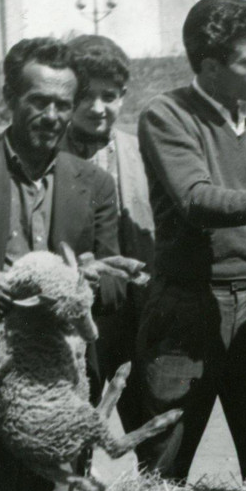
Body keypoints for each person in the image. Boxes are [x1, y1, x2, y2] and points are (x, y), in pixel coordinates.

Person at [0, 36, 132, 491]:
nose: (53, 114)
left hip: (57, 388)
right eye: (40, 101)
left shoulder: (93, 184)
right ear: (11, 97)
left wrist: (86, 280)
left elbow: (118, 284)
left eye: (63, 103)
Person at [136, 0, 246, 481]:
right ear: (209, 67)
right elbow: (196, 200)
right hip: (187, 312)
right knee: (165, 465)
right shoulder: (166, 116)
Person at [63, 34, 154, 431]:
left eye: (110, 95)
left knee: (148, 428)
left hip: (138, 317)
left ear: (124, 95)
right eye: (86, 95)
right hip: (78, 320)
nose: (98, 108)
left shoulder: (142, 152)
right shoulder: (51, 157)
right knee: (73, 424)